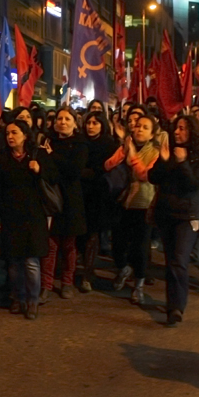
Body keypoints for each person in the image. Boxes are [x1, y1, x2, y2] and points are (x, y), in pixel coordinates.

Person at [0, 120, 57, 320]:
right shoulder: (1, 158)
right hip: (11, 216)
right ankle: (17, 297)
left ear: (26, 135)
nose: (10, 136)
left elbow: (54, 177)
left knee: (31, 262)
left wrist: (39, 170)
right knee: (14, 262)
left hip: (34, 216)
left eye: (15, 132)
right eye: (7, 133)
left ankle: (32, 300)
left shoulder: (39, 154)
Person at [148, 115, 199, 326]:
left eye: (182, 128)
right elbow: (152, 177)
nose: (177, 132)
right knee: (170, 262)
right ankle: (172, 303)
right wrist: (165, 161)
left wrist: (183, 162)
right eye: (176, 128)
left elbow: (194, 184)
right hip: (166, 214)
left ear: (192, 131)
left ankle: (177, 307)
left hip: (188, 216)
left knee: (179, 261)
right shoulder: (170, 152)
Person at [105, 114, 161, 303]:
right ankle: (123, 268)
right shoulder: (125, 146)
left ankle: (139, 285)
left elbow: (145, 175)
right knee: (118, 242)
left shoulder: (155, 151)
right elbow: (108, 164)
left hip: (143, 203)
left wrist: (132, 155)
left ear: (152, 134)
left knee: (140, 247)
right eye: (137, 126)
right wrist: (124, 149)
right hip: (122, 201)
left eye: (145, 127)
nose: (139, 130)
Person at [38, 107, 88, 302]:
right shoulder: (48, 142)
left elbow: (74, 170)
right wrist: (50, 158)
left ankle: (67, 282)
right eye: (60, 118)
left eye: (68, 119)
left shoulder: (80, 144)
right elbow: (46, 168)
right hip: (51, 198)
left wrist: (53, 157)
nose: (63, 122)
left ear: (75, 123)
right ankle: (46, 285)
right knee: (50, 245)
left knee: (68, 245)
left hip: (71, 200)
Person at [78, 110, 119, 292]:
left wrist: (89, 172)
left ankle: (88, 272)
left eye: (95, 123)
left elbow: (106, 169)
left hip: (98, 195)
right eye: (89, 123)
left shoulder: (108, 144)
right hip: (80, 194)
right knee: (80, 235)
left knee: (92, 235)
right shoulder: (80, 142)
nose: (91, 126)